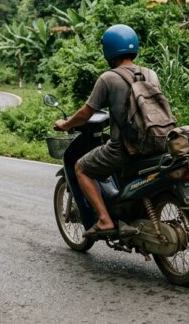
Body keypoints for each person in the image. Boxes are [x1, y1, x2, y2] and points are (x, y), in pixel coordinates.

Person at [52, 24, 160, 238]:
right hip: (156, 143)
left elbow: (86, 113)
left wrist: (65, 124)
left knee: (81, 167)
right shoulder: (151, 74)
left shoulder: (108, 78)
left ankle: (104, 219)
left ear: (108, 49)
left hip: (124, 149)